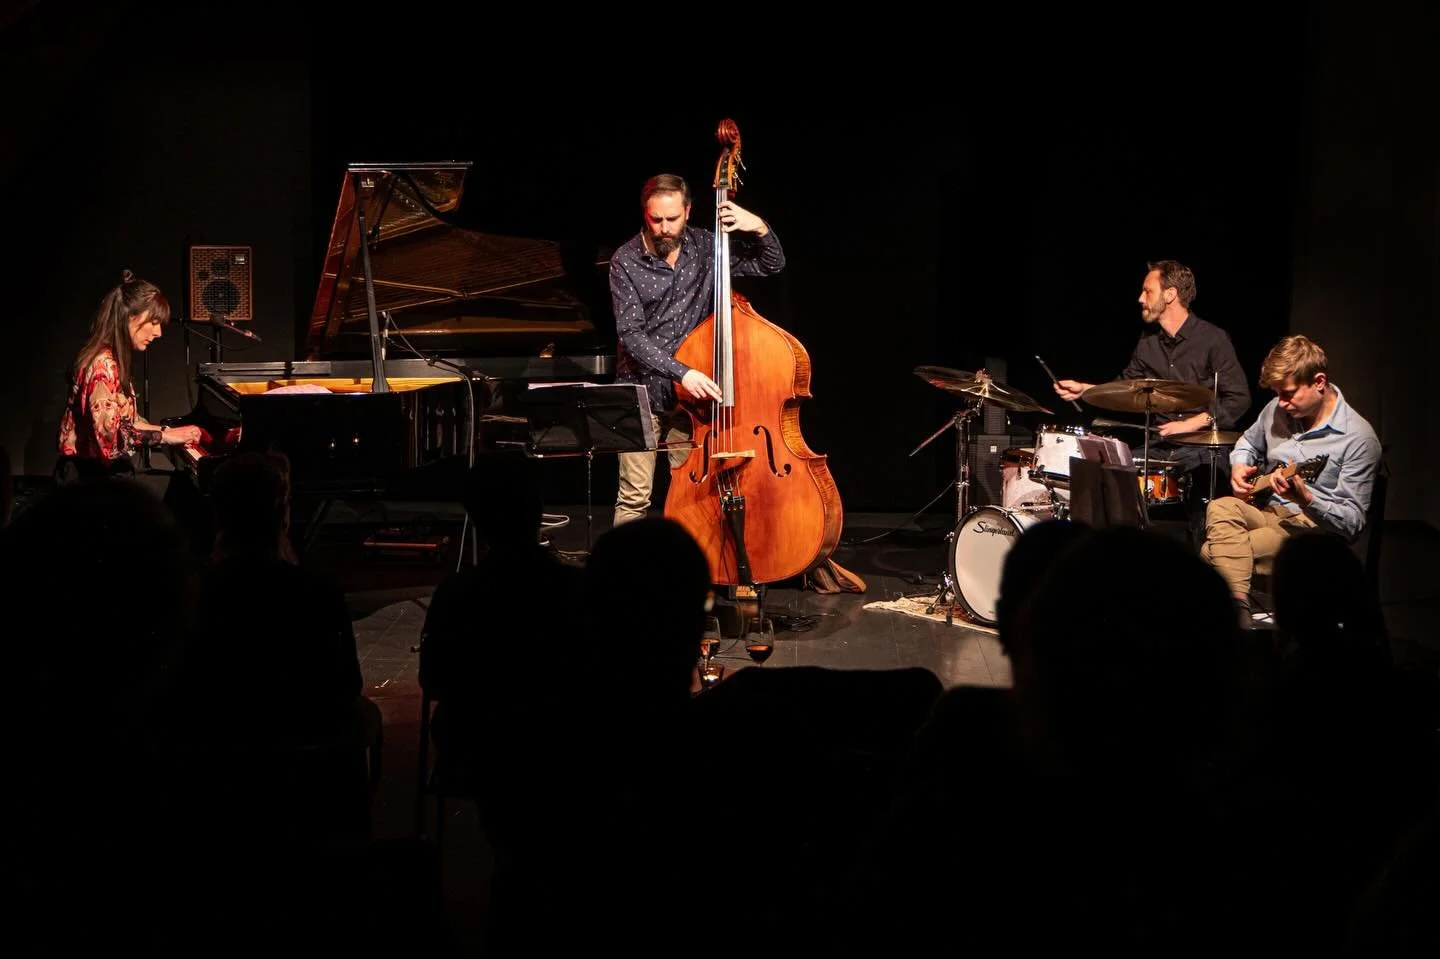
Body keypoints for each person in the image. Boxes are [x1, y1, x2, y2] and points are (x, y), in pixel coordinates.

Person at [608, 173, 786, 526]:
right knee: (634, 496)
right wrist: (683, 372)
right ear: (645, 213)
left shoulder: (708, 247)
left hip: (691, 402)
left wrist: (759, 227)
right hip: (641, 392)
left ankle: (688, 574)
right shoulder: (624, 261)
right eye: (655, 219)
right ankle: (625, 577)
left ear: (688, 211)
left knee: (692, 496)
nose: (663, 228)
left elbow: (771, 264)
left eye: (672, 219)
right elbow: (631, 333)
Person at [1198, 334, 1381, 625]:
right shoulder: (1276, 409)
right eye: (1277, 394)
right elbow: (1247, 442)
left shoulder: (1358, 438)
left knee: (1212, 551)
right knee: (1218, 507)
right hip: (1269, 512)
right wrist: (1239, 465)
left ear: (1319, 382)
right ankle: (1240, 610)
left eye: (1289, 393)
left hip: (1312, 534)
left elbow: (1352, 525)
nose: (1281, 403)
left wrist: (1307, 499)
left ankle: (1236, 613)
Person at [1054, 260, 1251, 517]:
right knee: (1108, 473)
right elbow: (1125, 386)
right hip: (1160, 445)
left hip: (1200, 448)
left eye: (1148, 291)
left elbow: (1239, 398)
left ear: (1170, 295)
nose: (1140, 298)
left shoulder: (1213, 339)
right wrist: (1085, 389)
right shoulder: (1148, 344)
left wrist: (1192, 423)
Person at [55, 270, 201, 482]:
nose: (159, 332)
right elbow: (111, 438)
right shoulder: (102, 366)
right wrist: (167, 437)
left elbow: (128, 422)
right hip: (88, 480)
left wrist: (171, 431)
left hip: (100, 473)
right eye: (153, 322)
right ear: (130, 317)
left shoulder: (112, 359)